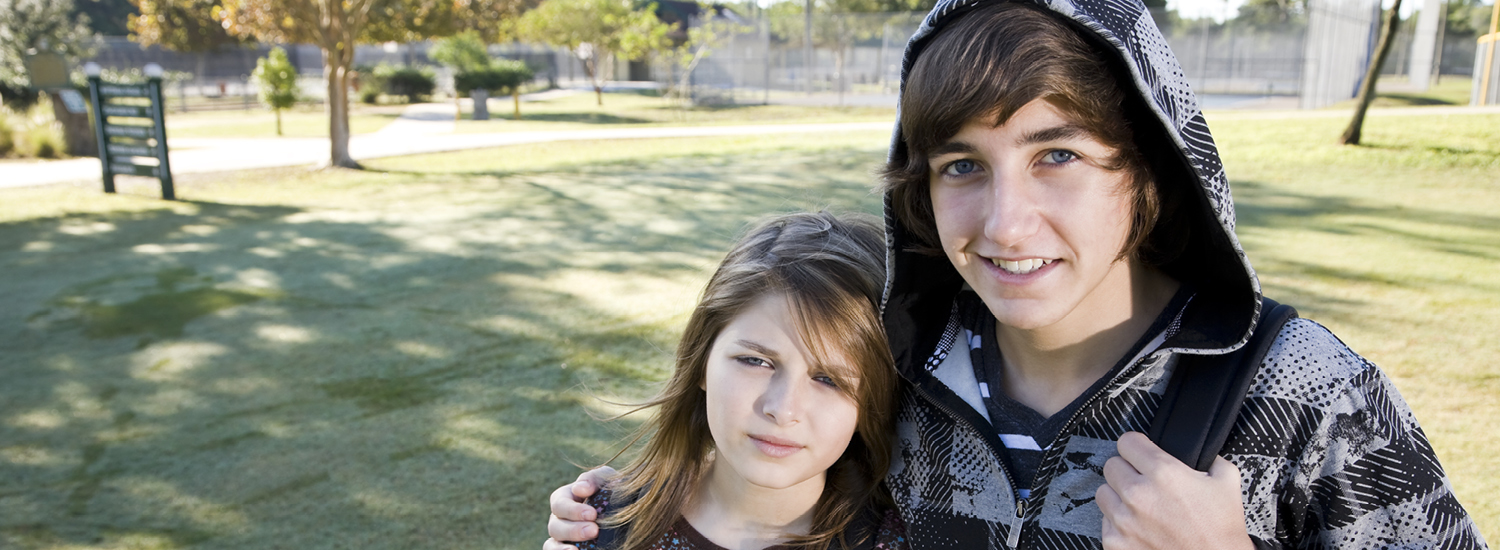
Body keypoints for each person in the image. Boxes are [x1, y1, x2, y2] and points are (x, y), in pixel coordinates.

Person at [548, 0, 1490, 548]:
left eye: (1057, 156)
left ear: (1149, 169)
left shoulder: (1308, 397)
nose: (1004, 224)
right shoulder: (900, 375)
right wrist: (622, 514)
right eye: (962, 165)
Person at [566, 211, 910, 550]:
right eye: (756, 361)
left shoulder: (902, 541)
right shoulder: (598, 522)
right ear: (701, 361)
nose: (782, 409)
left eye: (829, 380)